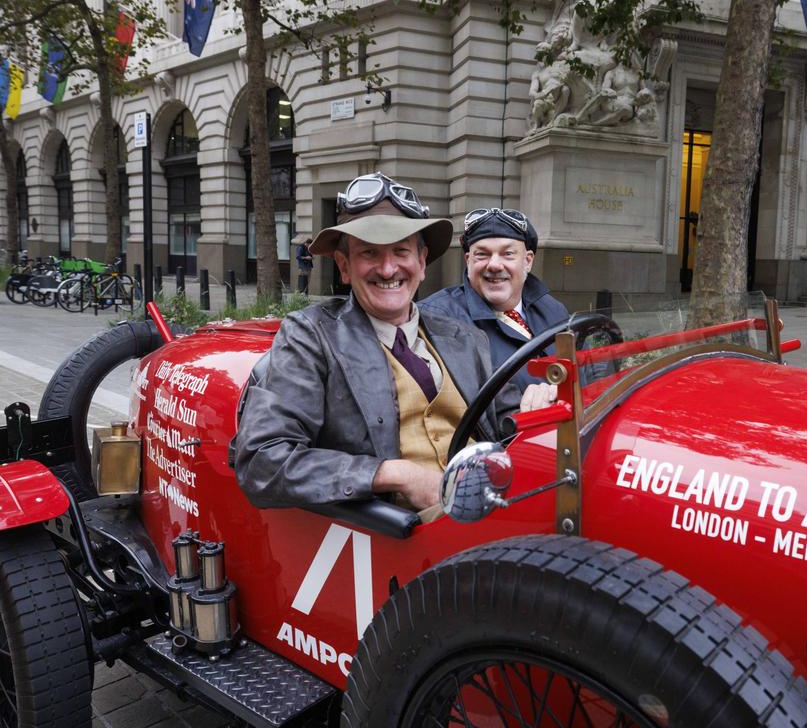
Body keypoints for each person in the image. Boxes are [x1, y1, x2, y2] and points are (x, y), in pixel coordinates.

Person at [235, 174, 554, 515]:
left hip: (493, 508)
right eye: (369, 253)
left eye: (401, 251)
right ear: (344, 267)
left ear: (421, 263)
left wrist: (535, 411)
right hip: (403, 539)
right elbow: (261, 461)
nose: (388, 269)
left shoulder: (464, 337)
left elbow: (506, 422)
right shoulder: (311, 336)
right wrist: (392, 475)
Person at [420, 208, 569, 392]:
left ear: (528, 261)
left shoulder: (552, 309)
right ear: (468, 261)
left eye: (508, 254)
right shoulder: (438, 319)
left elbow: (585, 367)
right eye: (482, 254)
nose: (495, 265)